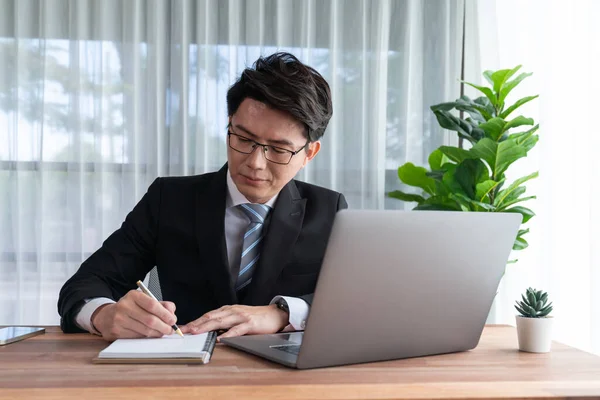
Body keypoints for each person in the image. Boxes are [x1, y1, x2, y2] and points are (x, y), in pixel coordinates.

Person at [57, 52, 348, 342]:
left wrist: (282, 313)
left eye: (279, 149)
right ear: (229, 127)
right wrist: (104, 315)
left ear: (309, 153)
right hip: (183, 370)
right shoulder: (169, 199)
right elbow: (84, 286)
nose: (255, 162)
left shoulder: (329, 210)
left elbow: (355, 300)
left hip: (285, 378)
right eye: (244, 139)